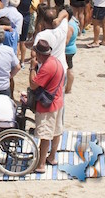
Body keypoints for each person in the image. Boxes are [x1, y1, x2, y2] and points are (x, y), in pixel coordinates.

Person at [29, 39, 65, 172]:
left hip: (47, 106)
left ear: (39, 54)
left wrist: (32, 68)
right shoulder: (56, 62)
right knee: (56, 132)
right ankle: (52, 157)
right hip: (58, 101)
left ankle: (41, 165)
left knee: (45, 135)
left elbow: (33, 85)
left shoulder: (46, 67)